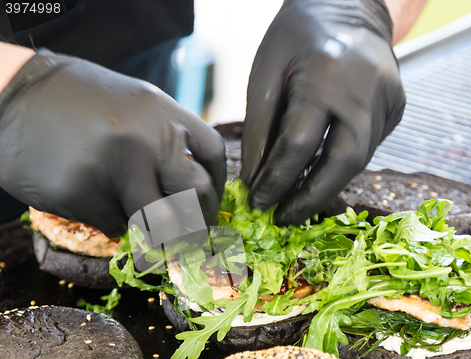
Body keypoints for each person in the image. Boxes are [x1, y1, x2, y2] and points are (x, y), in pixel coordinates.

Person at [0, 0, 427, 237]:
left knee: (158, 206)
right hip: (19, 88)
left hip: (125, 32)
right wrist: (12, 90)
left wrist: (361, 9)